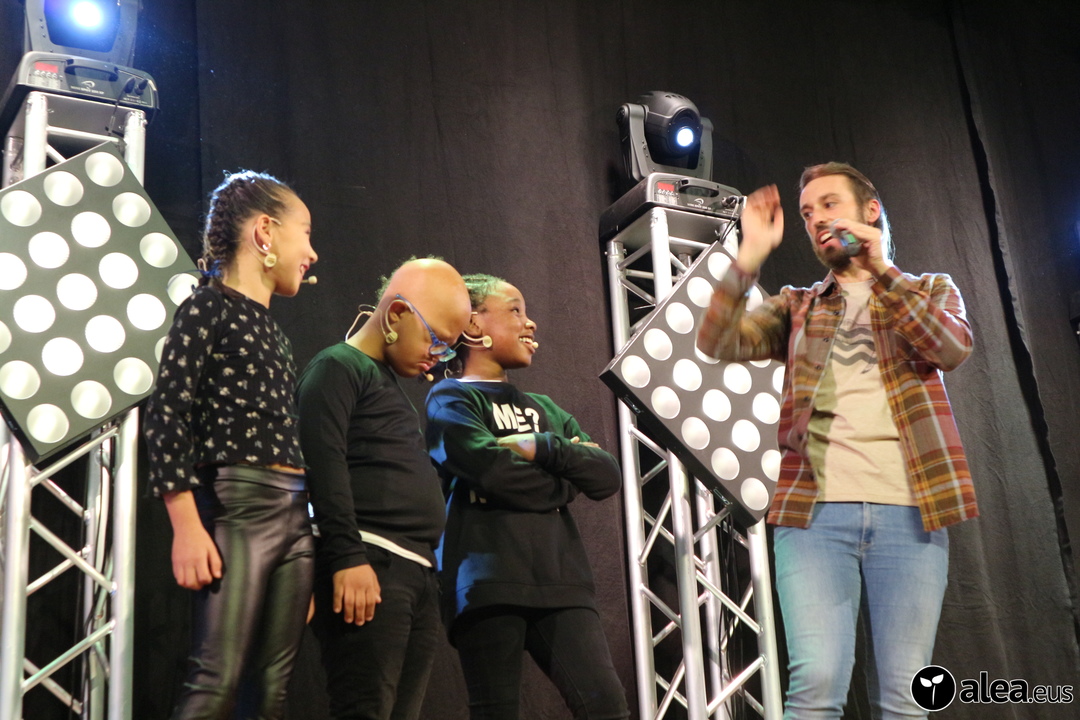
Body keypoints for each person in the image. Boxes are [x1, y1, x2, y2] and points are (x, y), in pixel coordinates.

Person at [696, 163, 978, 719]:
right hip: (814, 518)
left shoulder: (928, 289)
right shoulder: (799, 305)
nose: (817, 220)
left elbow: (950, 348)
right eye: (807, 213)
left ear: (870, 211)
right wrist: (749, 255)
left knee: (906, 694)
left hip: (911, 513)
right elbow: (718, 340)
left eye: (829, 205)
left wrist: (882, 271)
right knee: (817, 684)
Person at [145, 170, 319, 719]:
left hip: (295, 517)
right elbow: (167, 412)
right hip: (238, 508)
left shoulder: (275, 332)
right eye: (305, 233)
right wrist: (185, 524)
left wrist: (304, 532)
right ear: (265, 231)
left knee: (271, 694)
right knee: (216, 680)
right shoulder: (208, 307)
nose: (312, 253)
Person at [425, 274, 630, 720]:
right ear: (473, 324)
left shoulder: (546, 409)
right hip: (486, 581)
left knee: (608, 707)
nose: (530, 322)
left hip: (562, 581)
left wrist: (541, 446)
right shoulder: (450, 398)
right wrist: (564, 480)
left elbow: (606, 476)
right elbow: (491, 471)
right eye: (515, 310)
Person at [296, 258, 472, 720]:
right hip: (371, 562)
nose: (437, 356)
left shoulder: (386, 383)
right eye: (436, 340)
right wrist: (347, 557)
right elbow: (323, 466)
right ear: (396, 314)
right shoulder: (338, 367)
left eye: (447, 350)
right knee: (365, 708)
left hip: (415, 572)